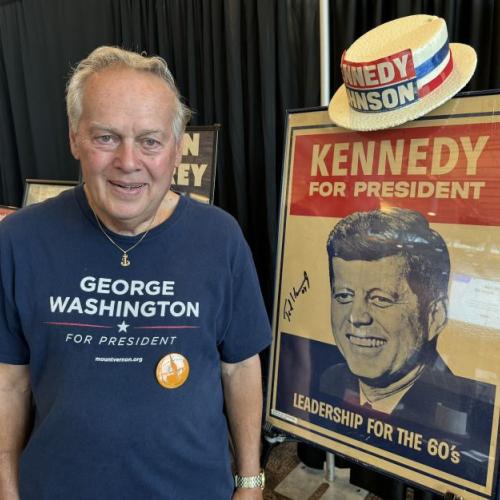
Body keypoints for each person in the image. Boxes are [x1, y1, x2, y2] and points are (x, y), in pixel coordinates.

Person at [0, 46, 271, 500]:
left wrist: (250, 481)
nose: (129, 161)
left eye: (150, 140)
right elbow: (8, 379)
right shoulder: (20, 240)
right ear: (74, 138)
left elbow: (240, 367)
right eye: (106, 137)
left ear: (175, 148)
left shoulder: (221, 238)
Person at [319, 208, 495, 498]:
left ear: (434, 316)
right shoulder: (330, 380)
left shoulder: (461, 419)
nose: (357, 317)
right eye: (344, 296)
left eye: (381, 299)